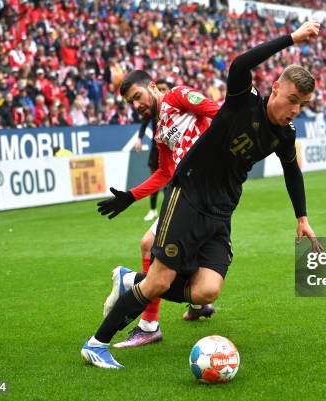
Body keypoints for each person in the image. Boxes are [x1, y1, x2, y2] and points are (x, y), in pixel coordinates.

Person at [81, 21, 323, 369]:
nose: (295, 108)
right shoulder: (244, 101)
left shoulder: (284, 134)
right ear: (275, 88)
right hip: (190, 194)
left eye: (302, 104)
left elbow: (292, 171)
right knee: (160, 281)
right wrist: (292, 38)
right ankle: (97, 343)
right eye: (292, 99)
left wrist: (302, 218)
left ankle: (131, 281)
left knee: (206, 290)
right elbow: (240, 64)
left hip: (221, 210)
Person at [86, 70, 220, 362]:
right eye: (131, 102)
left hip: (207, 194)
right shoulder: (159, 130)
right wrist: (131, 196)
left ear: (152, 87)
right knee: (152, 246)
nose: (136, 105)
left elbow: (217, 111)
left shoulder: (178, 96)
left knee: (165, 254)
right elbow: (163, 172)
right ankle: (153, 323)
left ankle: (137, 295)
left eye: (137, 96)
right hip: (187, 195)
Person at [134, 79, 173, 222]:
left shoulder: (174, 106)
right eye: (160, 89)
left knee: (170, 181)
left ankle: (168, 210)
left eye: (164, 89)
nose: (162, 92)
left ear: (169, 90)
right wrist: (139, 138)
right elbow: (144, 122)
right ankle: (152, 210)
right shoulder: (153, 107)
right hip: (156, 148)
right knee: (154, 179)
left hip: (171, 149)